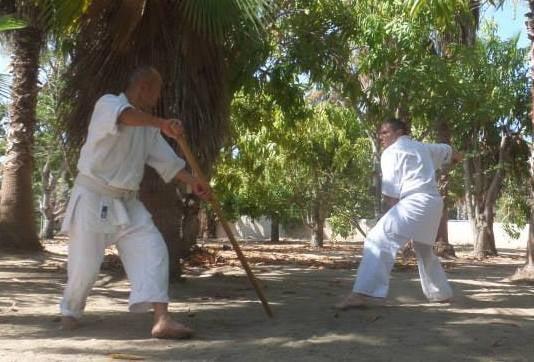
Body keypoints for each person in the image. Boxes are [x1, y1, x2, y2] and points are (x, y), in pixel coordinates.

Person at [59, 66, 210, 339]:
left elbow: (168, 164)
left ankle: (162, 319)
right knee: (85, 268)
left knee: (153, 249)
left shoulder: (149, 130)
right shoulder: (109, 104)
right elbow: (127, 117)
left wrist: (193, 182)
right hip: (93, 198)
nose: (158, 96)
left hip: (128, 203)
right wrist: (162, 124)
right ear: (144, 87)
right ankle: (70, 312)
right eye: (157, 90)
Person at [336, 118, 462, 309]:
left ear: (399, 132)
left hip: (415, 201)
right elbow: (453, 153)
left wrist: (400, 221)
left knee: (377, 239)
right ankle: (442, 295)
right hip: (434, 203)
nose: (381, 137)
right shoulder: (424, 148)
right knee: (424, 249)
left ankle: (362, 294)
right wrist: (455, 160)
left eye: (385, 132)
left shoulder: (391, 153)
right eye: (380, 134)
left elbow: (391, 196)